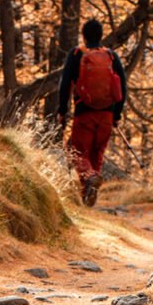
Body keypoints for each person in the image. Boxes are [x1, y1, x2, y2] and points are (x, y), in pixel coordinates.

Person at [56, 19, 127, 207]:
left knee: (77, 153)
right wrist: (117, 115)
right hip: (107, 115)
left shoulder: (77, 54)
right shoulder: (111, 56)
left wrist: (62, 111)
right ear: (101, 35)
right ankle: (88, 199)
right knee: (97, 154)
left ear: (84, 35)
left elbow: (64, 85)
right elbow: (122, 87)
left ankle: (90, 180)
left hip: (84, 113)